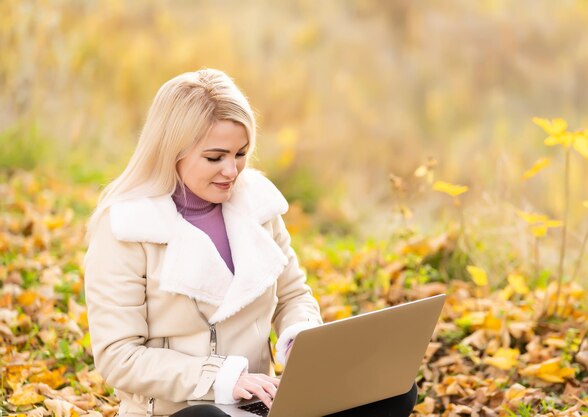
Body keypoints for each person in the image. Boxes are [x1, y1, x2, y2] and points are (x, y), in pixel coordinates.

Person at [84, 69, 417, 417]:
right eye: (215, 157)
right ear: (171, 151)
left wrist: (300, 340)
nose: (232, 171)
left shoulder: (257, 205)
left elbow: (293, 296)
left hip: (263, 406)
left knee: (393, 388)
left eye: (240, 153)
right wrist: (223, 377)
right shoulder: (125, 228)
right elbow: (119, 356)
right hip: (180, 410)